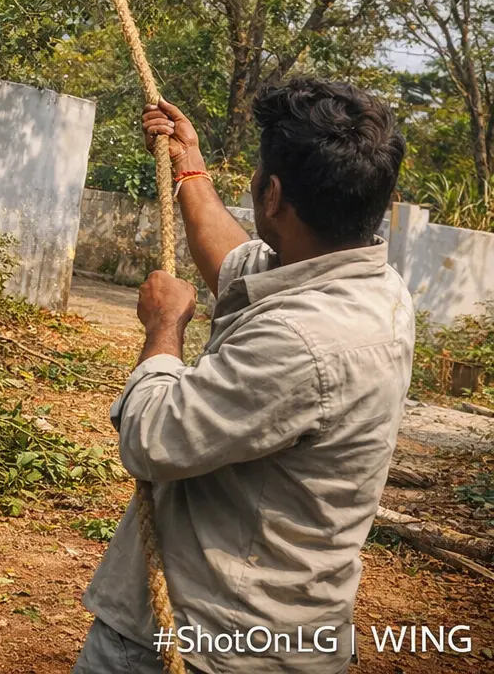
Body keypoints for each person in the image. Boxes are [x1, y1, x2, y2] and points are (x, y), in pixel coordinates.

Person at [74, 77, 413, 674]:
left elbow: (152, 439)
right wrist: (190, 168)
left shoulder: (300, 341)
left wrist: (164, 329)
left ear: (272, 194)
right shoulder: (370, 286)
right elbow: (238, 267)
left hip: (204, 642)